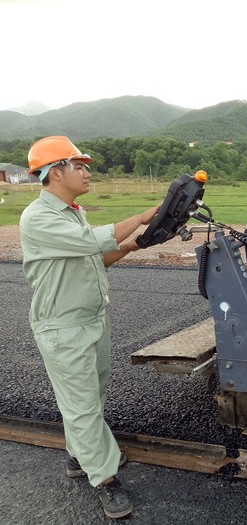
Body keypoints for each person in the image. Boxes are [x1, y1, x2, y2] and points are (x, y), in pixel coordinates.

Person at [19, 136, 161, 519]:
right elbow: (90, 242)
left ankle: (78, 457)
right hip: (63, 328)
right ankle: (104, 479)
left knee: (89, 399)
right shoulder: (39, 217)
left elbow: (97, 258)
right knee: (81, 406)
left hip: (91, 320)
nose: (86, 172)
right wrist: (143, 217)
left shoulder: (71, 212)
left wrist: (134, 246)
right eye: (78, 165)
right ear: (54, 171)